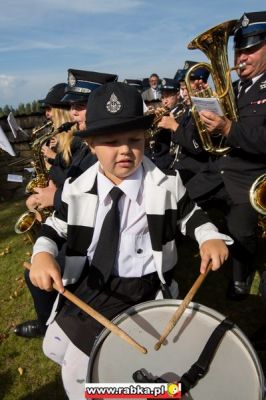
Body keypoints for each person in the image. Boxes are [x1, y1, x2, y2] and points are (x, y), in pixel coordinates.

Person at [29, 82, 232, 399]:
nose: (125, 149)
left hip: (143, 289)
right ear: (92, 145)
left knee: (106, 366)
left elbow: (190, 216)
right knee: (68, 357)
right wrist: (43, 252)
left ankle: (147, 392)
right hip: (91, 285)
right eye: (111, 141)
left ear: (146, 138)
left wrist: (209, 237)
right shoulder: (76, 188)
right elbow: (56, 226)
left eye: (134, 140)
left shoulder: (165, 185)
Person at [14, 71, 118, 338]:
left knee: (36, 276)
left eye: (80, 106)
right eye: (71, 106)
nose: (73, 114)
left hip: (100, 243)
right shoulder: (84, 143)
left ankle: (51, 323)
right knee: (41, 264)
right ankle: (53, 320)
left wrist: (53, 197)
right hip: (77, 223)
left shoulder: (103, 147)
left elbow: (99, 194)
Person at [184, 11, 266, 299]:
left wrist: (229, 129)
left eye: (251, 49)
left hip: (250, 177)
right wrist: (202, 123)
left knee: (240, 231)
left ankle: (240, 277)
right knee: (180, 203)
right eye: (239, 49)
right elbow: (209, 137)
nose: (241, 57)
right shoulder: (231, 87)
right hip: (218, 170)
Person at [158, 63, 210, 184]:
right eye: (183, 89)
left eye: (188, 88)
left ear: (200, 85)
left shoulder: (206, 110)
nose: (184, 93)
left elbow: (197, 147)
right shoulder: (187, 110)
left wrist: (174, 126)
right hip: (178, 166)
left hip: (196, 173)